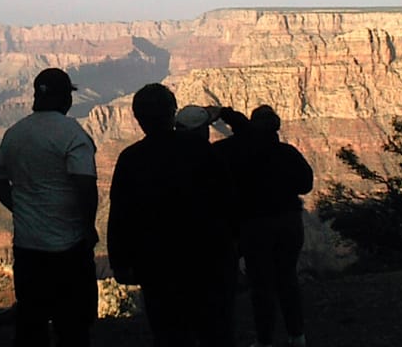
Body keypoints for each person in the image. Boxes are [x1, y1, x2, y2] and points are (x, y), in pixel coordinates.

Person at [108, 85, 236, 347]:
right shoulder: (201, 150)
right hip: (205, 259)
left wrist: (120, 261)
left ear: (138, 118)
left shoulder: (130, 159)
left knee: (169, 333)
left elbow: (120, 214)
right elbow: (226, 200)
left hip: (156, 264)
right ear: (172, 113)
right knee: (214, 331)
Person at [0, 68, 98, 347]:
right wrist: (88, 226)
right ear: (66, 99)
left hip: (28, 249)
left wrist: (19, 207)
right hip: (68, 248)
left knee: (31, 324)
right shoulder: (73, 133)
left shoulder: (15, 132)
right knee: (73, 327)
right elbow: (85, 185)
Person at [216, 105, 313, 347]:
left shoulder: (237, 152)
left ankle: (265, 341)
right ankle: (297, 335)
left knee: (261, 285)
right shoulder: (287, 153)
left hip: (255, 226)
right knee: (287, 279)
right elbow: (305, 184)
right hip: (289, 222)